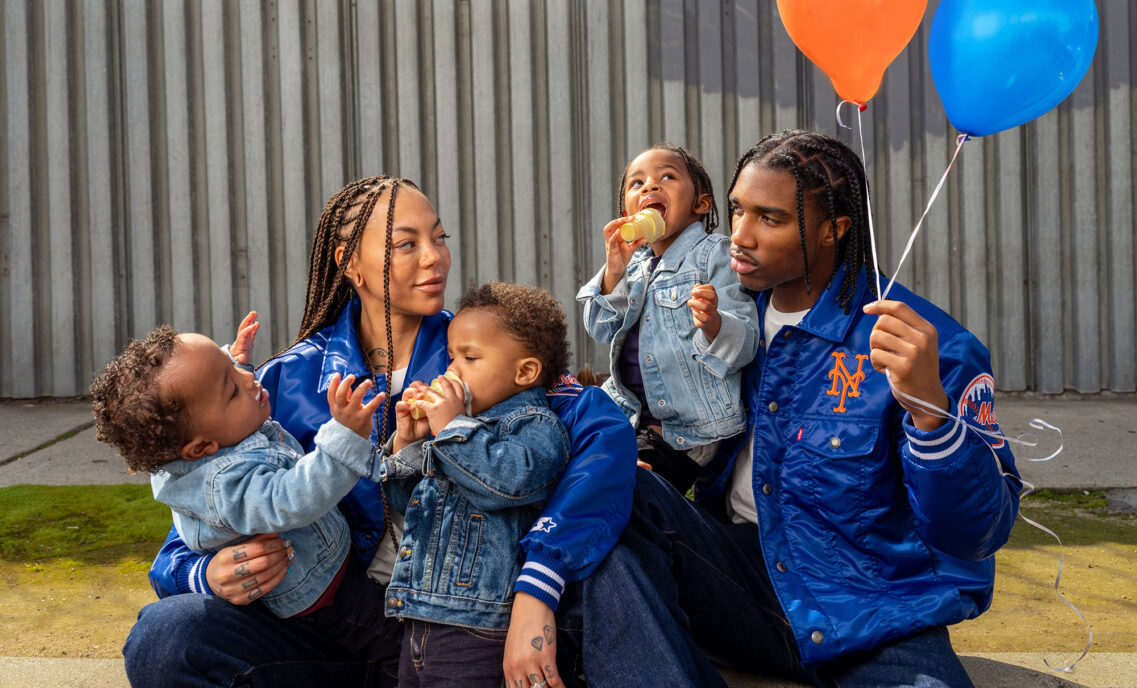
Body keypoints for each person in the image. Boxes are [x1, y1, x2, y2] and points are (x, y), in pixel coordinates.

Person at [123, 177, 637, 688]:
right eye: (407, 244)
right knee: (165, 636)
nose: (435, 258)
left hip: (464, 631)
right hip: (325, 634)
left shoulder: (486, 353)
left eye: (439, 238)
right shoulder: (282, 381)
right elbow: (191, 518)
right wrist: (205, 575)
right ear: (350, 264)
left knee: (627, 543)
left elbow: (599, 430)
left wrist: (537, 587)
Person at [573, 130, 1022, 688]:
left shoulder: (925, 347)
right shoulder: (718, 314)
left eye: (771, 219)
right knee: (614, 487)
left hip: (872, 610)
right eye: (738, 210)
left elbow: (977, 535)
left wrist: (931, 416)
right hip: (736, 582)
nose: (740, 237)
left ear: (834, 229)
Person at [90, 324, 398, 656]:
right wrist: (344, 436)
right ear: (201, 448)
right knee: (395, 643)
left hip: (327, 571)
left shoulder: (195, 441)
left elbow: (203, 393)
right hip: (325, 596)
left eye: (232, 367)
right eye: (233, 390)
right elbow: (291, 497)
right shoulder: (225, 485)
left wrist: (233, 363)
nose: (250, 379)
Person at [381, 281, 572, 686]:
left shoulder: (535, 427)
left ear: (525, 372)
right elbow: (406, 502)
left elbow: (507, 483)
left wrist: (451, 427)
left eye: (469, 358)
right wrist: (408, 442)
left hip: (476, 629)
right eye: (451, 357)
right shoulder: (456, 430)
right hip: (419, 616)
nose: (452, 370)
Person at [577, 143, 759, 493]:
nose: (650, 185)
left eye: (667, 177)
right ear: (627, 211)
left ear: (701, 204)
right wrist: (614, 271)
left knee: (611, 486)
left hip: (685, 432)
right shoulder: (632, 265)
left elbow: (746, 342)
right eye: (637, 183)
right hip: (625, 415)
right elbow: (600, 329)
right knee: (566, 451)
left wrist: (714, 322)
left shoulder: (714, 255)